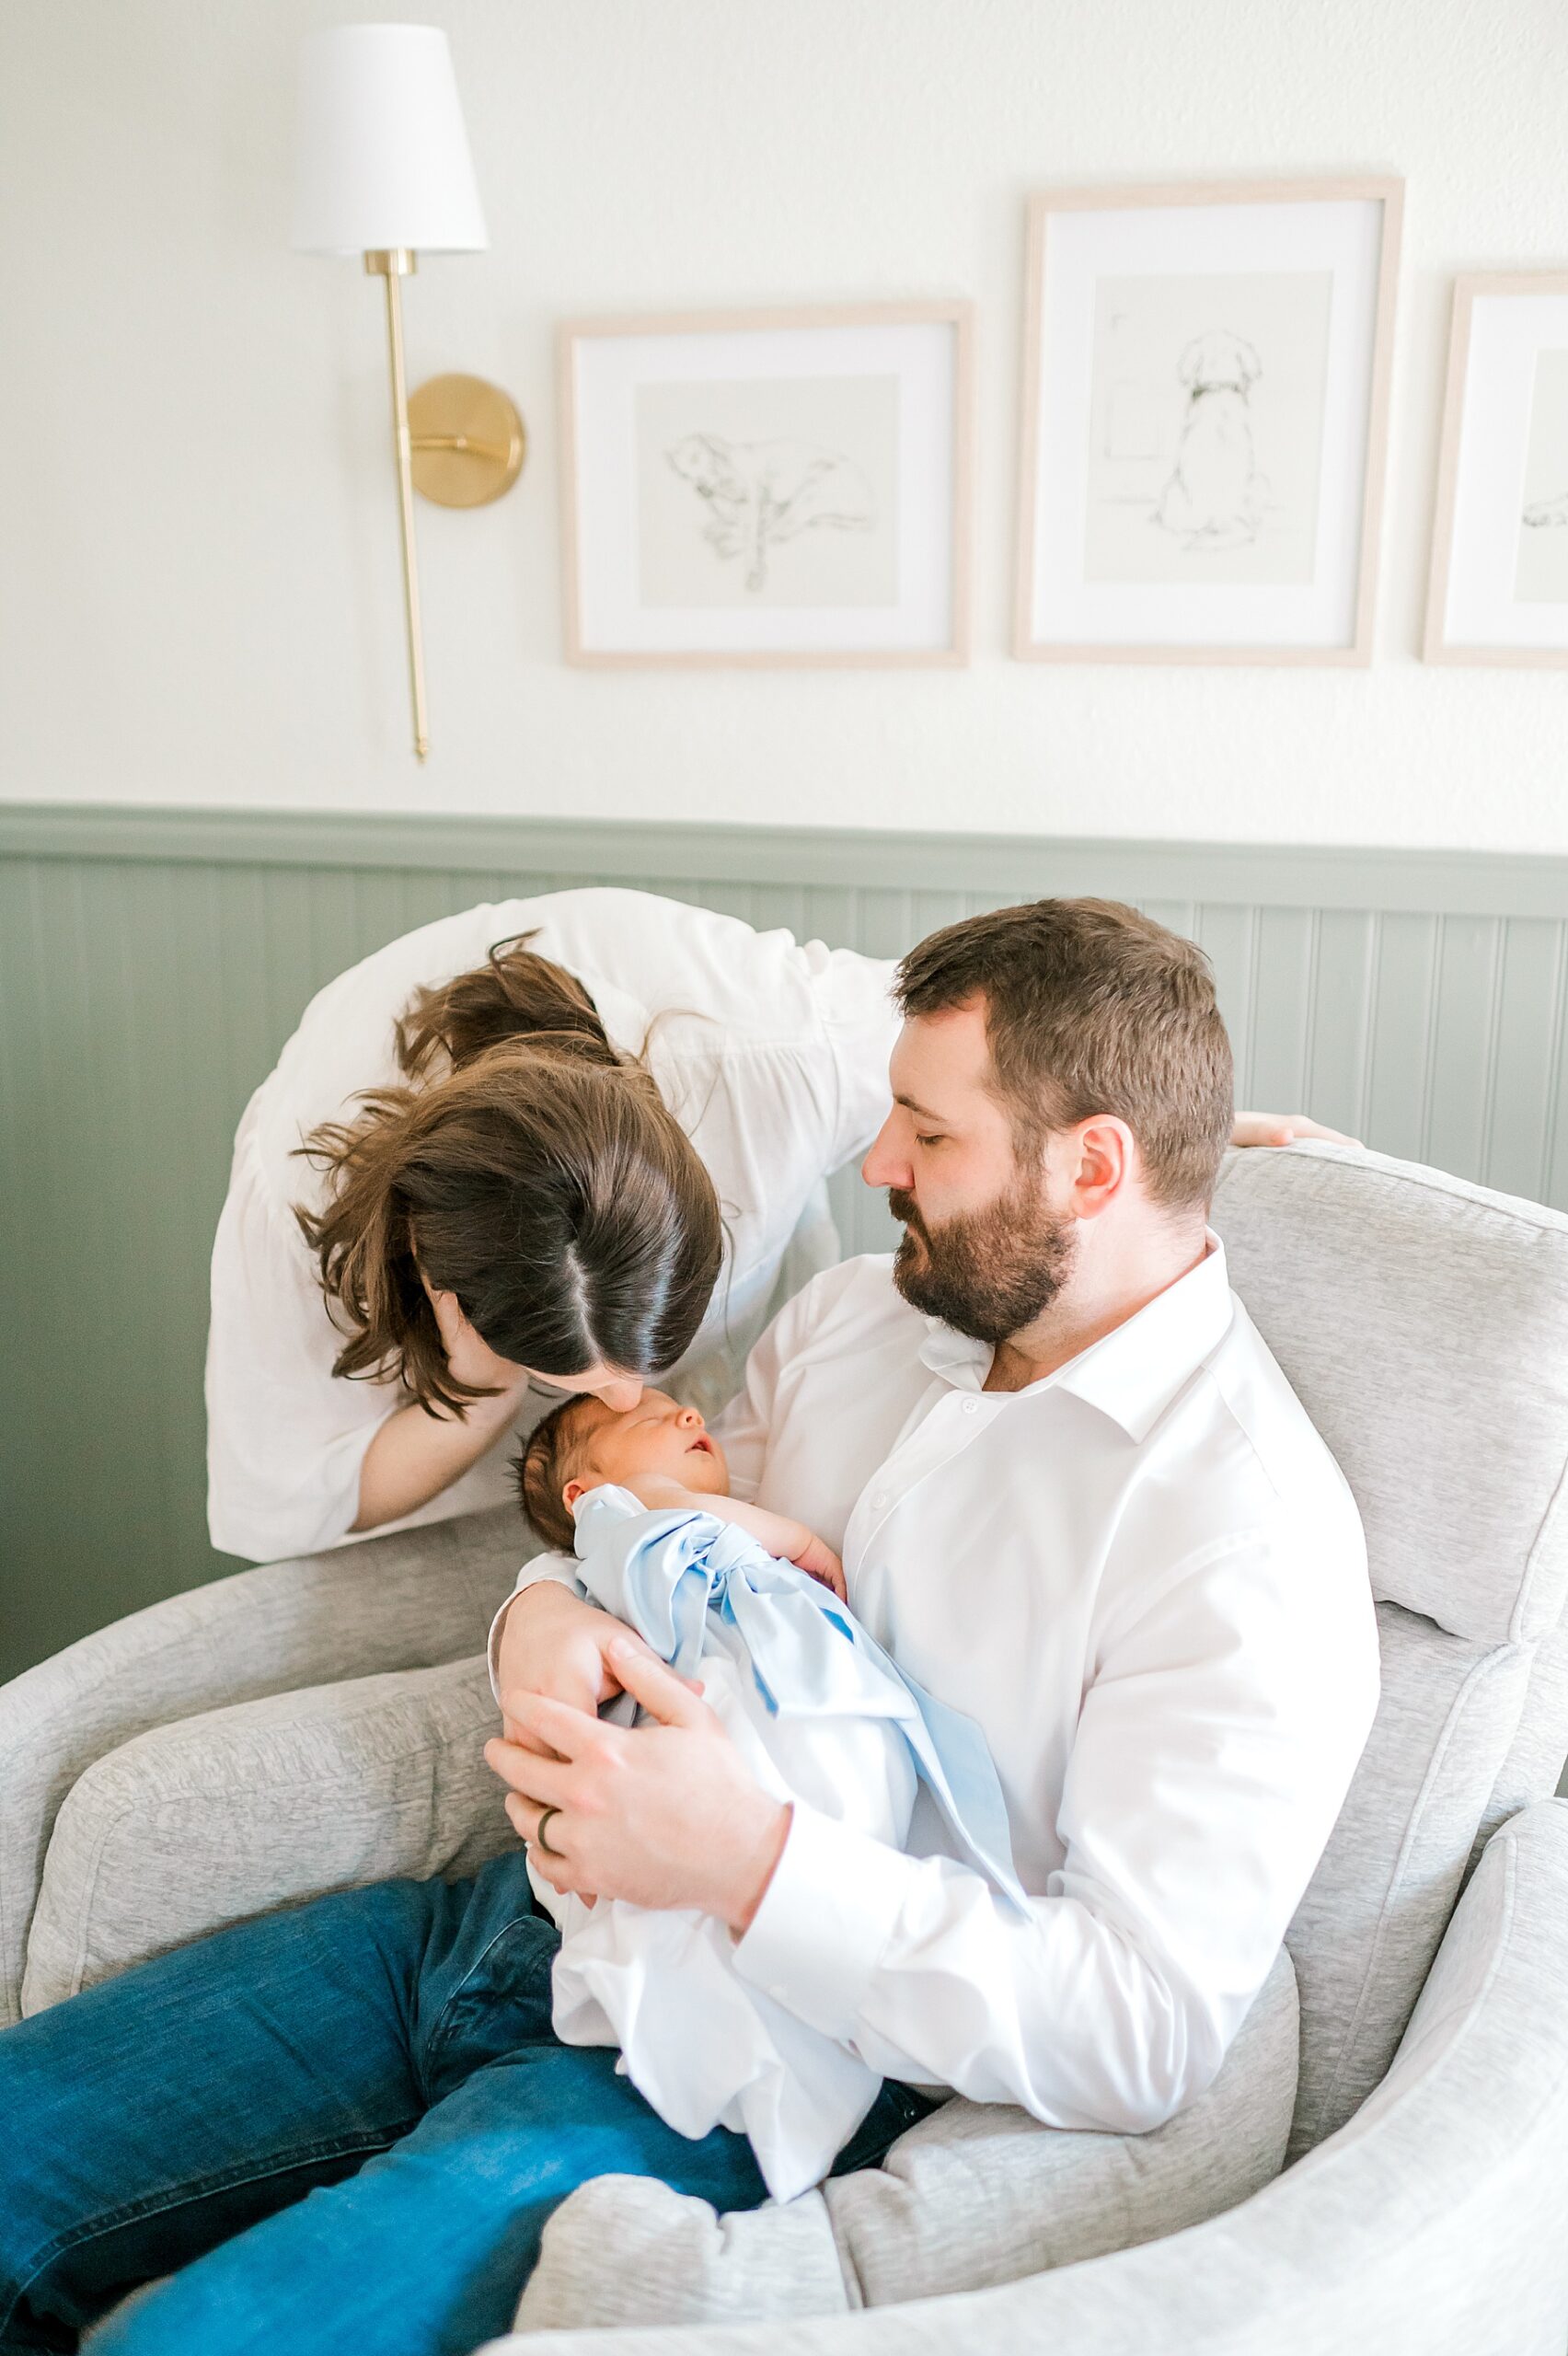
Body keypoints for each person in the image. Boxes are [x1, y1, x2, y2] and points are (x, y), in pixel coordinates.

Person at [0, 898, 1375, 2356]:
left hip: (738, 2058)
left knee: (200, 2344)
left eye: (927, 1132)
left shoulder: (1241, 1538)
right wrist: (533, 1618)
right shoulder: (854, 1320)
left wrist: (751, 1862)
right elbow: (647, 1529)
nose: (875, 1163)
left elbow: (1143, 2031)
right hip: (498, 1931)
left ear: (1093, 1166)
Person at [204, 885, 1353, 1565]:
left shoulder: (778, 1048)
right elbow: (299, 1502)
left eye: (641, 1354)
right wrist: (482, 1392)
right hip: (463, 1461)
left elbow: (1027, 1083)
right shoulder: (297, 1204)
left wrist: (1181, 1139)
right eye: (568, 1367)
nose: (627, 1395)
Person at [513, 1390, 1025, 2204]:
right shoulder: (635, 1516)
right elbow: (680, 1513)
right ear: (583, 1494)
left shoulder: (675, 1540)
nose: (687, 1416)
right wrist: (797, 1539)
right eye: (649, 1420)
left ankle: (744, 2014)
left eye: (685, 1410)